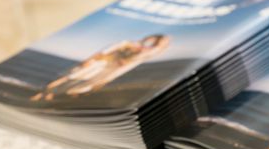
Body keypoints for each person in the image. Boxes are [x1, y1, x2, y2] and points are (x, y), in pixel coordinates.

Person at [31, 34, 169, 102]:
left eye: (155, 43)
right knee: (69, 77)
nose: (150, 44)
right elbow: (105, 52)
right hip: (99, 64)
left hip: (107, 69)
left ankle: (54, 96)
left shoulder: (145, 53)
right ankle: (45, 93)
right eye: (151, 41)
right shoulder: (128, 44)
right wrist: (90, 60)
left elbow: (154, 51)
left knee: (84, 85)